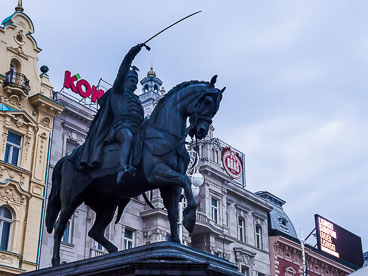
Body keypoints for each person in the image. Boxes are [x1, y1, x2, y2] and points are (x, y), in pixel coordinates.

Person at [77, 43, 146, 185]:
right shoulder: (118, 91)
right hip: (120, 127)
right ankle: (122, 169)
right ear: (125, 80)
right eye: (132, 81)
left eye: (136, 82)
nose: (135, 85)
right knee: (127, 137)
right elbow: (122, 72)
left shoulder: (137, 99)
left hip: (137, 128)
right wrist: (132, 54)